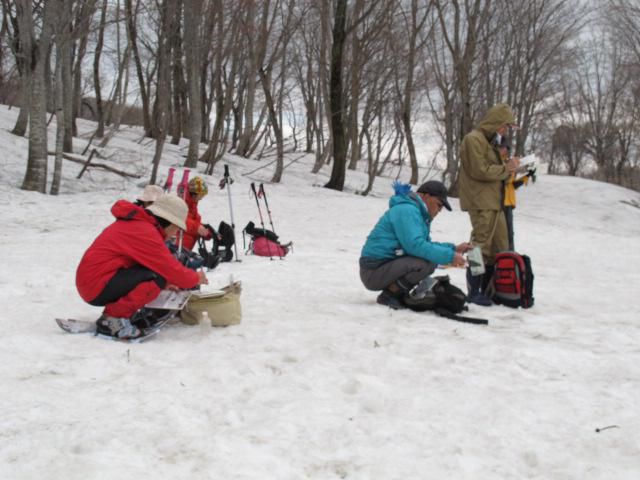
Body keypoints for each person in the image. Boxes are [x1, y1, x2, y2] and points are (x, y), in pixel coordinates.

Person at [75, 194, 209, 339]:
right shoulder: (145, 232)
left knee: (158, 277)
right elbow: (170, 269)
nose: (176, 233)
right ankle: (112, 319)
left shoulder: (138, 225)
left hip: (94, 281)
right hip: (95, 285)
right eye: (177, 228)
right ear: (169, 222)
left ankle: (116, 315)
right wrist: (196, 278)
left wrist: (166, 284)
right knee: (157, 277)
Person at [359, 180, 473, 310]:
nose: (439, 210)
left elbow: (425, 245)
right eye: (439, 205)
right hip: (373, 271)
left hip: (382, 266)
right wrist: (450, 256)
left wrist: (454, 248)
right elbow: (415, 246)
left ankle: (396, 293)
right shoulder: (407, 210)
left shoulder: (415, 212)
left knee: (428, 258)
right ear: (425, 196)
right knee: (426, 263)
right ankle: (389, 295)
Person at [459, 103, 521, 306]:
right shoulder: (473, 139)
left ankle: (490, 290)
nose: (504, 131)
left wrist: (512, 169)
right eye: (504, 126)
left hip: (495, 201)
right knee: (479, 246)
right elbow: (480, 170)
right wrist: (505, 168)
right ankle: (474, 290)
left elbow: (493, 170)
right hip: (480, 201)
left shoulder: (491, 142)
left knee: (500, 247)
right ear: (495, 123)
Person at [499, 139, 536, 251]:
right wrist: (512, 170)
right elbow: (504, 180)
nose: (505, 150)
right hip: (500, 203)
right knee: (503, 233)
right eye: (502, 147)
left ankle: (510, 257)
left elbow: (512, 185)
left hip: (508, 203)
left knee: (509, 233)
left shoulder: (507, 162)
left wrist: (527, 175)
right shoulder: (499, 163)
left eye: (506, 148)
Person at [180, 176, 214, 251]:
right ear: (194, 194)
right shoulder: (181, 202)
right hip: (178, 244)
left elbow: (195, 219)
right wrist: (198, 227)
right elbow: (180, 219)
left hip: (186, 247)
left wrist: (204, 229)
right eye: (201, 195)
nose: (202, 198)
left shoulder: (192, 204)